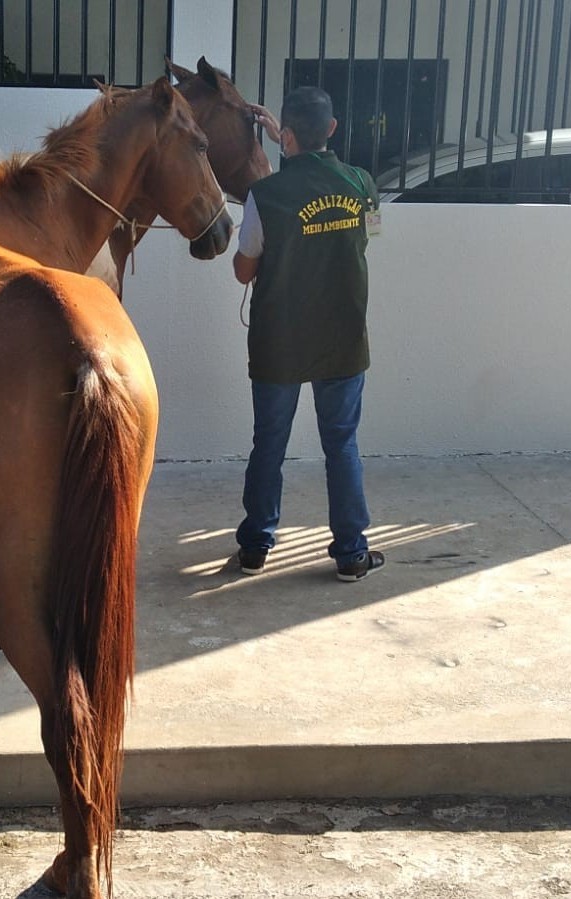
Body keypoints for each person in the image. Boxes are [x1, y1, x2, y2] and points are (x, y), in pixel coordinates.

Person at [232, 86, 384, 582]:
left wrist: (284, 149)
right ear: (334, 130)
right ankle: (351, 554)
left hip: (279, 341)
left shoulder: (264, 195)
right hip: (342, 338)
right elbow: (367, 237)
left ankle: (255, 547)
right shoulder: (362, 183)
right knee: (341, 443)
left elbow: (243, 270)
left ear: (287, 134)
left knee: (269, 442)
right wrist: (294, 143)